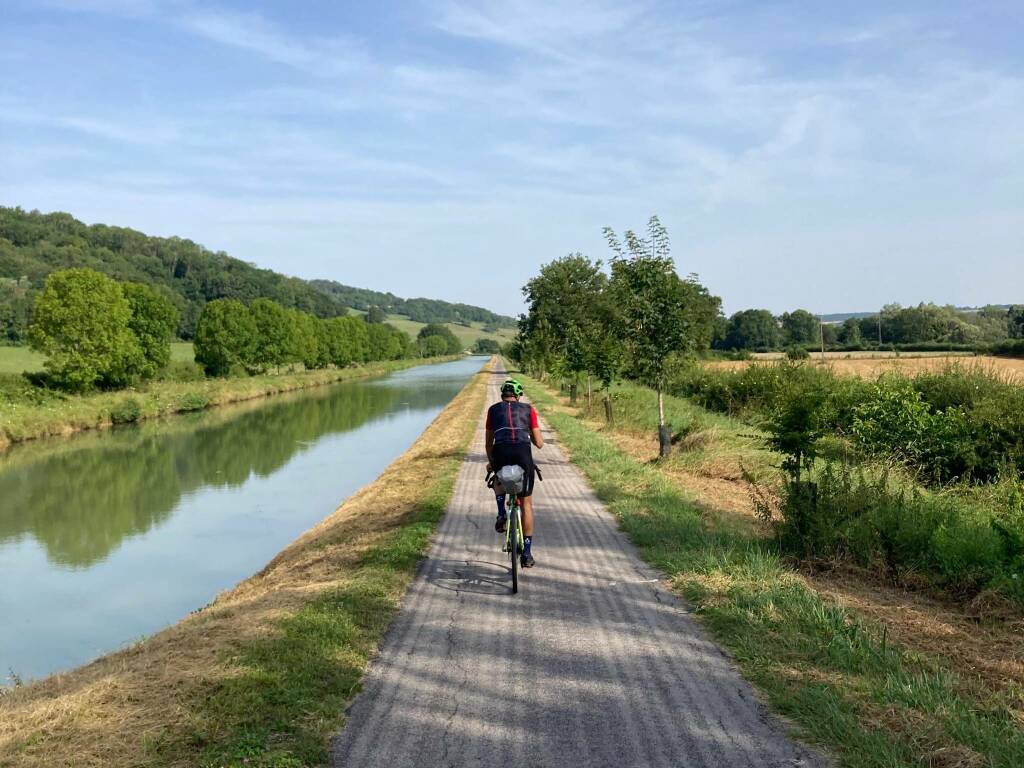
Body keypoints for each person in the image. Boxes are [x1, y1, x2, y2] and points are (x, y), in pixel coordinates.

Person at [486, 377, 544, 567]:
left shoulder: (493, 410)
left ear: (503, 395)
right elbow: (540, 443)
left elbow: (489, 442)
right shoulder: (528, 409)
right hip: (522, 453)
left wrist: (492, 462)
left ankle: (502, 514)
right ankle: (527, 554)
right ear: (518, 395)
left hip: (501, 451)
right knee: (526, 503)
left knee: (497, 479)